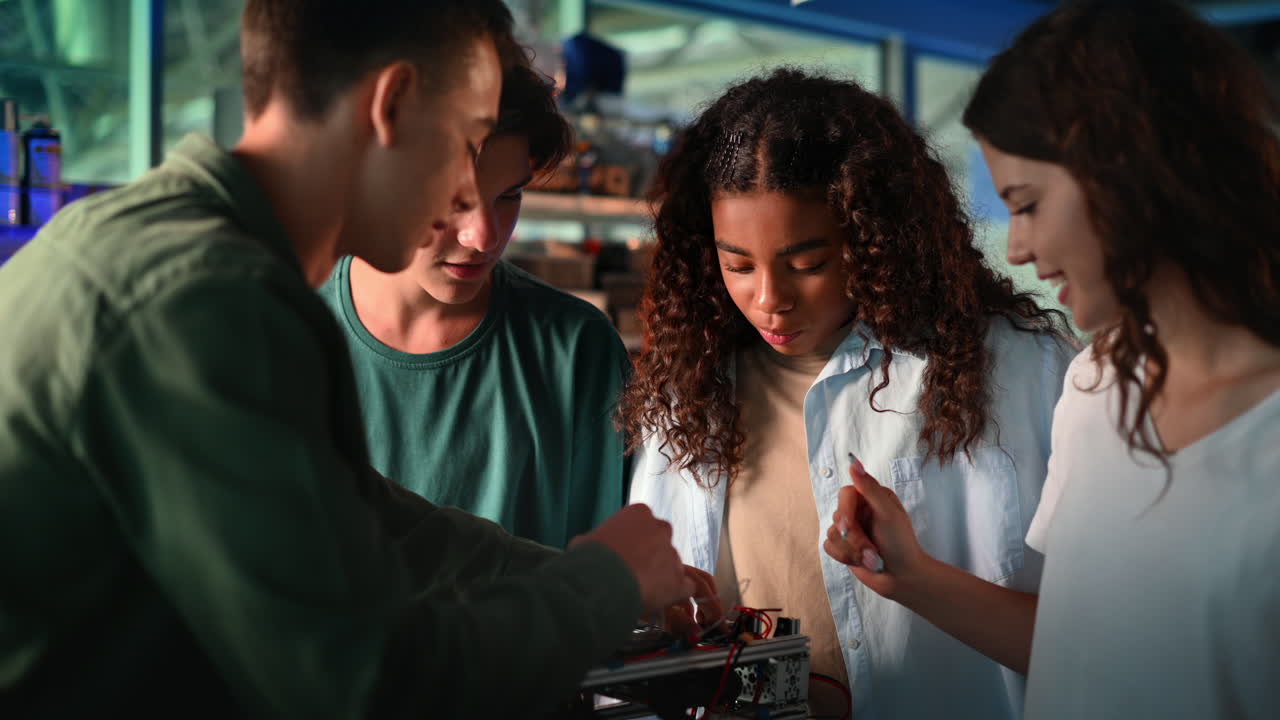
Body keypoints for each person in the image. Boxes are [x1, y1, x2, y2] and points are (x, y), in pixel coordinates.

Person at [0, 2, 697, 717]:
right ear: (391, 105)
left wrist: (576, 567)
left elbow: (357, 508)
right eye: (469, 139)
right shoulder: (211, 302)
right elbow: (369, 686)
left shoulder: (145, 237)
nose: (474, 211)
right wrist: (601, 584)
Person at [828, 1, 1280, 717]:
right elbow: (1074, 642)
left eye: (1027, 204)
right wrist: (913, 577)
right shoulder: (1096, 387)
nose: (1017, 250)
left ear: (1128, 172)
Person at [622, 68, 1077, 720]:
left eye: (808, 263)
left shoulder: (1015, 368)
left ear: (874, 242)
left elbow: (1102, 632)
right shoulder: (689, 388)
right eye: (738, 264)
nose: (770, 300)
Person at [319, 62, 630, 549]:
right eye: (452, 198)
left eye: (509, 195)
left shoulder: (579, 355)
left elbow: (608, 595)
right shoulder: (280, 335)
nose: (484, 235)